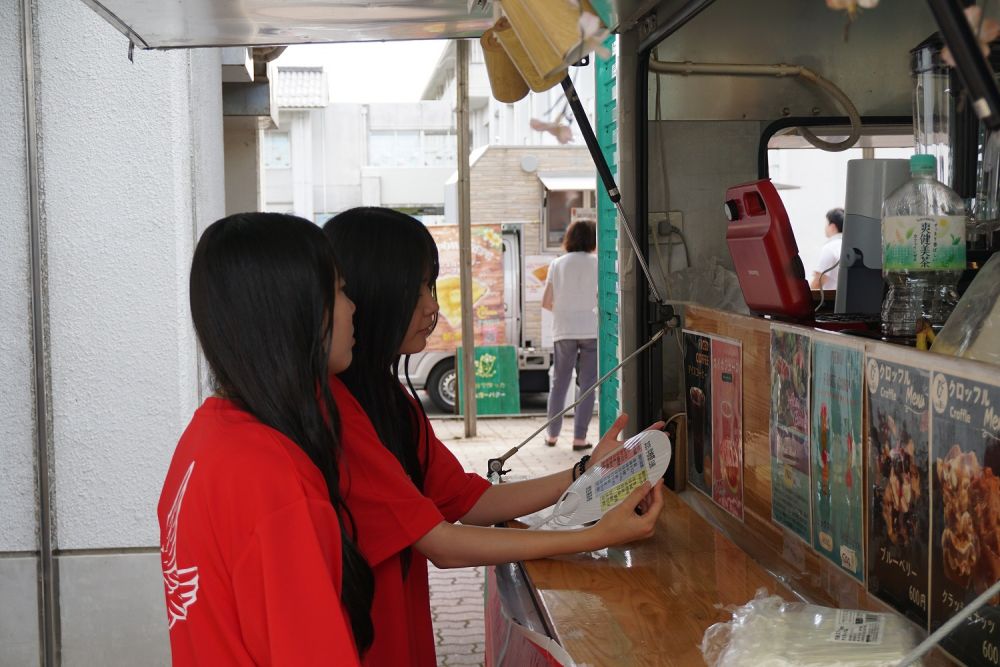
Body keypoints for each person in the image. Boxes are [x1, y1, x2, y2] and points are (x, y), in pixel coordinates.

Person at [323, 207, 664, 667]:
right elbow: (442, 543)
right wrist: (589, 538)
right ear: (368, 293)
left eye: (431, 285)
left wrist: (585, 471)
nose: (432, 306)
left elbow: (468, 500)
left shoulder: (392, 401)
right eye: (417, 288)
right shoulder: (339, 413)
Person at [158, 213, 373, 665]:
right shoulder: (273, 477)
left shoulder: (206, 438)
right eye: (339, 290)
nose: (353, 307)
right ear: (295, 310)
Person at [541, 219, 599, 450]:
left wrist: (565, 311)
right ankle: (579, 439)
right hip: (591, 328)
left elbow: (546, 301)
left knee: (560, 383)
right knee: (587, 385)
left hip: (564, 329)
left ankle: (552, 435)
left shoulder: (558, 264)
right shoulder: (597, 263)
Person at [810, 207, 844, 290]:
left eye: (826, 223)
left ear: (832, 226)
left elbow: (819, 281)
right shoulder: (848, 247)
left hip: (829, 300)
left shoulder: (830, 248)